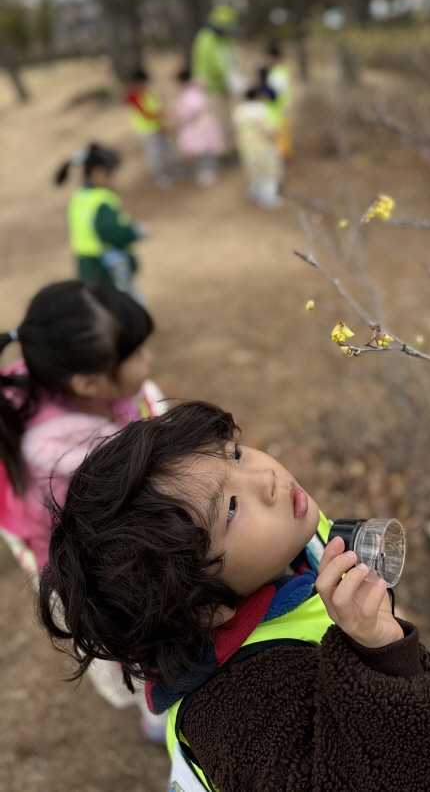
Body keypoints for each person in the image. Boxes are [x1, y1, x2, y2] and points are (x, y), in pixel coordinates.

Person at [38, 400, 430, 792]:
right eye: (232, 509)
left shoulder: (286, 542)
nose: (267, 479)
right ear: (205, 608)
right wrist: (383, 657)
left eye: (233, 454)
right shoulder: (238, 713)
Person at [0, 280, 167, 742]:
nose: (148, 359)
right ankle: (157, 713)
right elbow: (130, 513)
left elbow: (144, 406)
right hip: (87, 569)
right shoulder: (66, 455)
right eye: (136, 353)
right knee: (133, 642)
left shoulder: (50, 374)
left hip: (99, 541)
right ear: (89, 383)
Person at [55, 143, 146, 302]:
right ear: (99, 174)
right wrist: (136, 231)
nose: (118, 179)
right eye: (115, 174)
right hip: (106, 267)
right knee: (127, 308)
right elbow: (112, 234)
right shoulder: (101, 200)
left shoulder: (79, 197)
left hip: (87, 265)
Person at [191, 5, 246, 155]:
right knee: (219, 120)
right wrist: (200, 78)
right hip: (213, 87)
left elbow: (234, 54)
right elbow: (201, 60)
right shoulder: (205, 37)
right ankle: (224, 151)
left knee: (231, 118)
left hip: (229, 85)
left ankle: (235, 147)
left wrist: (239, 65)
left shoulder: (227, 39)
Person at [125, 67, 182, 188]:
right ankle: (159, 176)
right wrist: (162, 113)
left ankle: (175, 169)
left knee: (167, 150)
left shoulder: (148, 93)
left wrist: (162, 117)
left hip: (158, 127)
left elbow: (156, 106)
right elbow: (146, 113)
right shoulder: (134, 96)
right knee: (154, 154)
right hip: (147, 131)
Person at [232, 87, 283, 209]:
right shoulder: (260, 109)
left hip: (245, 145)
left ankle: (255, 193)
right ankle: (267, 197)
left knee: (253, 169)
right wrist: (275, 137)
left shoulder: (239, 109)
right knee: (268, 170)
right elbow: (268, 128)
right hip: (262, 145)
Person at [173, 68, 224, 186]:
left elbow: (193, 108)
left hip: (199, 126)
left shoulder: (191, 91)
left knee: (203, 151)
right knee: (202, 151)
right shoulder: (195, 89)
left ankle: (208, 172)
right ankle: (205, 171)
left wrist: (180, 114)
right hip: (200, 124)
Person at [263, 43, 292, 160]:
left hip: (277, 109)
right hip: (273, 109)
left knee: (279, 136)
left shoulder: (279, 72)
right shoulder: (275, 71)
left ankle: (282, 158)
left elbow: (274, 92)